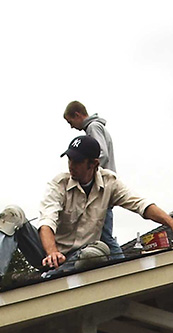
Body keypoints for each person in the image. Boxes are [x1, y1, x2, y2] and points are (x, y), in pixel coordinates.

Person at [0, 135, 173, 296]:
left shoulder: (110, 183)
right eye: (69, 159)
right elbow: (47, 221)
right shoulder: (59, 183)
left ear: (93, 164)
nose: (71, 165)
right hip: (47, 252)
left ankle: (42, 280)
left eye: (77, 161)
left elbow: (141, 205)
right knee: (12, 213)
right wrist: (51, 252)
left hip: (78, 259)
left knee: (99, 252)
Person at [63, 101, 122, 259]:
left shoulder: (93, 127)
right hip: (103, 186)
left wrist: (89, 173)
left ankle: (121, 264)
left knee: (104, 235)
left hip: (102, 188)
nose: (71, 127)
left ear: (77, 115)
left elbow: (101, 154)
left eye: (70, 122)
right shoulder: (96, 127)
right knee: (101, 235)